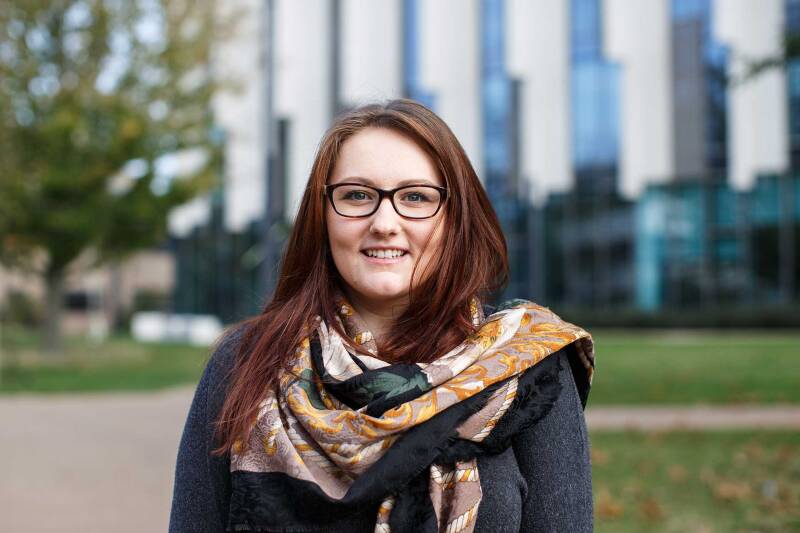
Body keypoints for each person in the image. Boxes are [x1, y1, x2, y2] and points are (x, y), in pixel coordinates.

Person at [169, 99, 595, 533]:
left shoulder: (530, 369)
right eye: (357, 195)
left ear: (454, 218)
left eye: (415, 196)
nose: (384, 222)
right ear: (323, 216)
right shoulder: (246, 362)